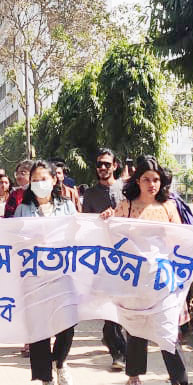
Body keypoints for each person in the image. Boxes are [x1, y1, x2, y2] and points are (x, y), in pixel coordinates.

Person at [99, 155, 193, 385]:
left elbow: (183, 238)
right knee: (136, 330)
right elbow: (110, 235)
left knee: (168, 333)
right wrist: (107, 218)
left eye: (156, 179)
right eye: (146, 179)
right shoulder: (126, 206)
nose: (152, 184)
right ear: (137, 181)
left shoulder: (168, 207)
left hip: (162, 281)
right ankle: (134, 377)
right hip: (133, 282)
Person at [14, 160, 79, 385]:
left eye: (44, 178)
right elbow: (14, 239)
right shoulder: (23, 209)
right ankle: (45, 379)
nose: (39, 183)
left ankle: (60, 361)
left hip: (62, 274)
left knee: (67, 324)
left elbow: (79, 235)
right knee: (39, 328)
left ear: (54, 180)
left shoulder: (67, 207)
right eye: (35, 179)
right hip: (34, 276)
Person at [80, 148, 127, 371]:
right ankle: (117, 350)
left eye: (107, 164)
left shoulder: (127, 190)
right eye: (99, 164)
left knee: (122, 305)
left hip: (127, 256)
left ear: (115, 166)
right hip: (103, 259)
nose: (103, 168)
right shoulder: (90, 195)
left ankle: (116, 344)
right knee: (109, 305)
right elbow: (87, 226)